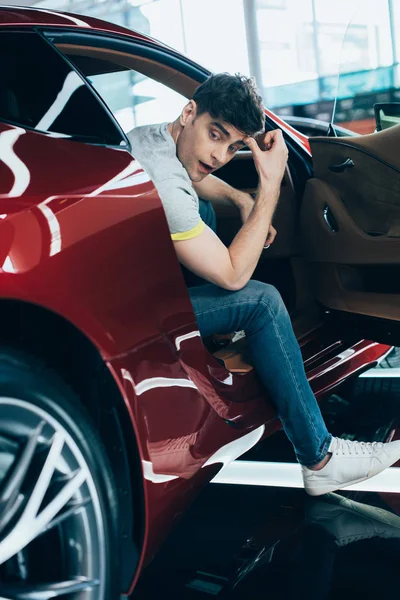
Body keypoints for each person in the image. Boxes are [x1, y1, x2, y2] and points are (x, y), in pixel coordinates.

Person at [128, 73, 400, 496]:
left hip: (127, 288)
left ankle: (217, 331)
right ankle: (320, 457)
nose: (220, 155)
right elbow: (235, 275)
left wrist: (240, 199)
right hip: (133, 317)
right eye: (215, 135)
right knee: (263, 302)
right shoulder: (164, 185)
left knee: (205, 210)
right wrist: (269, 183)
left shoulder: (153, 139)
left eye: (234, 145)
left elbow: (193, 178)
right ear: (189, 113)